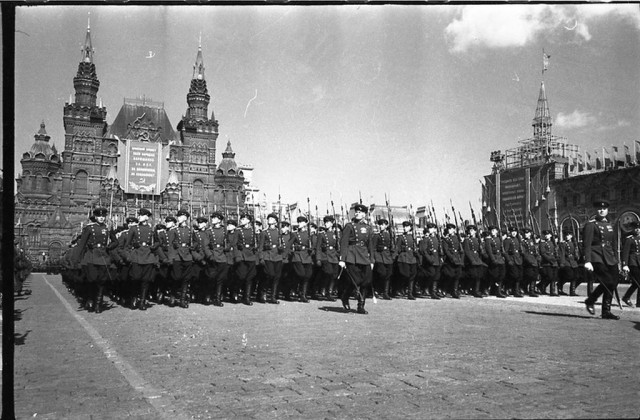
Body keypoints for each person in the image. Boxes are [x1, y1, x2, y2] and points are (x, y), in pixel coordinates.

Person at [74, 207, 118, 313]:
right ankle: (90, 299)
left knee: (101, 281)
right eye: (99, 216)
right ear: (95, 217)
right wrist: (76, 259)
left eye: (103, 216)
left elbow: (115, 241)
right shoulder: (89, 228)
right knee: (92, 280)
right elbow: (82, 244)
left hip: (103, 257)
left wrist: (109, 247)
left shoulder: (107, 228)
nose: (101, 218)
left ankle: (98, 304)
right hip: (92, 256)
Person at [584, 200, 620, 320]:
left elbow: (614, 244)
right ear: (595, 210)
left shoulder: (610, 224)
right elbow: (587, 244)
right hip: (597, 256)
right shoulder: (591, 224)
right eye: (599, 208)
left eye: (604, 209)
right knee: (608, 281)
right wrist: (587, 260)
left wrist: (617, 260)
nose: (602, 210)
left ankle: (606, 311)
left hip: (610, 257)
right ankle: (591, 300)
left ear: (607, 210)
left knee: (613, 283)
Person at [338, 203, 374, 314]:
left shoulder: (368, 227)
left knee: (366, 281)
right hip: (352, 256)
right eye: (356, 212)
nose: (358, 213)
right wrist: (342, 259)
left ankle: (361, 306)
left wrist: (372, 260)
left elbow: (370, 245)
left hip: (364, 256)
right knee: (355, 281)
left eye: (360, 212)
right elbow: (344, 243)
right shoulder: (349, 226)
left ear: (364, 214)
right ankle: (345, 296)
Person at [257, 213, 284, 304]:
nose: (269, 220)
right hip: (268, 256)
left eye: (272, 218)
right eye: (269, 218)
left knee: (276, 277)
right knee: (270, 275)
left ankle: (273, 297)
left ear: (276, 222)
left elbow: (283, 244)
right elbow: (260, 247)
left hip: (278, 256)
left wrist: (282, 248)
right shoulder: (264, 232)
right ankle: (263, 292)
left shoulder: (279, 232)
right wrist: (261, 257)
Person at [202, 212, 228, 306]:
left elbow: (229, 242)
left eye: (215, 218)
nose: (212, 219)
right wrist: (210, 256)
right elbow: (205, 246)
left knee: (220, 279)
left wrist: (227, 248)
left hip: (222, 257)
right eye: (212, 217)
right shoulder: (208, 231)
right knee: (211, 278)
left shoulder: (225, 231)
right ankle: (208, 296)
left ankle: (217, 298)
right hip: (213, 257)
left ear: (219, 220)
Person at [288, 216, 314, 302]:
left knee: (307, 276)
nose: (299, 224)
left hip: (307, 256)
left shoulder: (310, 234)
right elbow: (289, 245)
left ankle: (303, 294)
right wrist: (292, 251)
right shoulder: (295, 234)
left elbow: (314, 245)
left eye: (301, 222)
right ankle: (293, 288)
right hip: (298, 256)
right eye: (298, 222)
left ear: (305, 223)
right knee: (301, 274)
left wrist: (312, 250)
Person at [315, 215, 340, 301]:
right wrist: (318, 258)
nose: (326, 224)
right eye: (325, 222)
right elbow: (318, 247)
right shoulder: (322, 234)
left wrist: (338, 254)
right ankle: (323, 291)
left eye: (328, 222)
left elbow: (337, 246)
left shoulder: (335, 234)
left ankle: (329, 292)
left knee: (334, 275)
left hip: (334, 257)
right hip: (325, 256)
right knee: (328, 273)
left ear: (332, 223)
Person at [235, 212, 258, 305]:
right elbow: (234, 244)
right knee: (241, 276)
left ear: (249, 220)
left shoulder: (254, 231)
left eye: (243, 219)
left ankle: (246, 297)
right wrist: (238, 256)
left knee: (249, 278)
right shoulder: (238, 231)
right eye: (241, 219)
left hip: (251, 256)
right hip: (242, 255)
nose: (241, 220)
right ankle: (236, 292)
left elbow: (258, 243)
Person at [372, 218, 395, 300]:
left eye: (382, 225)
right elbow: (373, 248)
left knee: (388, 275)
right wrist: (375, 258)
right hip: (380, 257)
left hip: (388, 257)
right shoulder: (377, 236)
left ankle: (385, 293)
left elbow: (393, 247)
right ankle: (376, 290)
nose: (381, 226)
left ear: (386, 226)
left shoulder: (390, 235)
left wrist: (393, 257)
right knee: (382, 274)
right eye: (380, 225)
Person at [396, 220, 419, 299]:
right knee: (405, 274)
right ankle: (399, 289)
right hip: (404, 258)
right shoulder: (401, 237)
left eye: (407, 227)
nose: (405, 228)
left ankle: (410, 293)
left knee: (412, 275)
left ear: (410, 228)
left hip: (412, 258)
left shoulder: (413, 237)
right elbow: (397, 248)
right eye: (404, 227)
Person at [420, 222, 443, 299]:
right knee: (431, 274)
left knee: (436, 276)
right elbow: (423, 251)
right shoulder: (426, 239)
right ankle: (426, 288)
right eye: (429, 228)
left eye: (432, 228)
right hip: (430, 260)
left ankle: (433, 291)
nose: (430, 230)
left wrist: (441, 257)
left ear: (435, 229)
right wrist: (429, 259)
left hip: (437, 260)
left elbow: (440, 249)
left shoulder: (437, 238)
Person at [441, 223, 464, 298]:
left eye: (451, 229)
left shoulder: (457, 238)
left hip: (457, 258)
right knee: (449, 276)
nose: (450, 230)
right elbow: (446, 250)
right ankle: (444, 290)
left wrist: (460, 258)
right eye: (448, 229)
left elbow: (461, 249)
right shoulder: (446, 239)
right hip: (450, 259)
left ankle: (454, 291)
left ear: (454, 230)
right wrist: (451, 258)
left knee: (457, 276)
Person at [463, 224, 485, 298]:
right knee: (473, 275)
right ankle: (468, 288)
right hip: (471, 260)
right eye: (470, 231)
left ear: (475, 231)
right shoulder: (467, 240)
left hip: (477, 259)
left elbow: (480, 250)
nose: (471, 232)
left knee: (479, 276)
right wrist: (472, 260)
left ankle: (476, 290)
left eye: (472, 230)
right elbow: (467, 251)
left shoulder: (477, 239)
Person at [621, 221, 640, 308]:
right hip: (633, 262)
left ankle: (638, 301)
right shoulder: (629, 239)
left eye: (639, 228)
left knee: (638, 283)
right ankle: (626, 297)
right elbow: (625, 252)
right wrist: (625, 264)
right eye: (636, 228)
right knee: (637, 282)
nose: (638, 230)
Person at [484, 226, 506, 298]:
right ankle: (488, 288)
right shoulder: (488, 240)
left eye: (494, 230)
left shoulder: (499, 239)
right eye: (491, 230)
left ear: (497, 231)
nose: (493, 232)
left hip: (500, 259)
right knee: (494, 275)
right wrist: (493, 259)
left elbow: (501, 249)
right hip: (494, 259)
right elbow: (489, 251)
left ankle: (498, 290)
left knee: (501, 275)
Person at [503, 226, 524, 297]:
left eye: (515, 232)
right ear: (510, 232)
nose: (514, 233)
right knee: (513, 276)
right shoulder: (508, 240)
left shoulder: (518, 239)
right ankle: (507, 288)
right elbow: (505, 252)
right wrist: (508, 260)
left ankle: (516, 290)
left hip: (518, 259)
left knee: (519, 276)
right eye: (512, 232)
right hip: (512, 259)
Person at [558, 230, 580, 296]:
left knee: (576, 276)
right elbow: (562, 253)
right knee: (569, 275)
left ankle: (572, 291)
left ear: (571, 236)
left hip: (573, 261)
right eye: (566, 235)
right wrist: (562, 263)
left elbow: (577, 252)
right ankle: (560, 285)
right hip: (567, 261)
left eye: (569, 235)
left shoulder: (574, 243)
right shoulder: (563, 244)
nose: (567, 237)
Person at [538, 230, 559, 296]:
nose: (546, 235)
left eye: (548, 234)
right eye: (545, 234)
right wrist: (550, 260)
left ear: (550, 235)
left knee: (554, 277)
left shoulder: (553, 243)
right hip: (547, 262)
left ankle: (552, 291)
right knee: (549, 277)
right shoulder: (542, 243)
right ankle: (541, 286)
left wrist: (556, 259)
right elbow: (543, 253)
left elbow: (556, 252)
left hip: (554, 261)